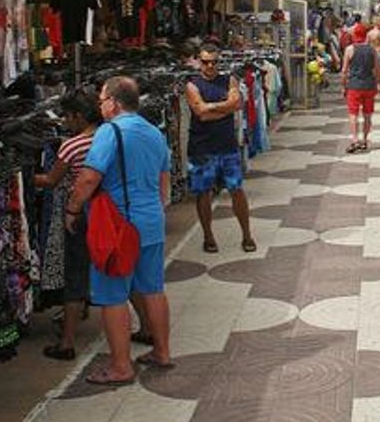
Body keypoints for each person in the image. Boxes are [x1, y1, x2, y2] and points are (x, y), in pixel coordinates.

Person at [64, 76, 173, 385]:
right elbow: (164, 180)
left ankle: (121, 367)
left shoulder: (109, 132)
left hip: (118, 227)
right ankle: (162, 352)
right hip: (151, 221)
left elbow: (88, 178)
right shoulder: (154, 132)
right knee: (152, 289)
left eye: (101, 100)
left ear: (113, 101)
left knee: (112, 296)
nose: (100, 106)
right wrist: (154, 208)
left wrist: (72, 209)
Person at [33, 92, 101, 361]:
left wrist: (23, 177)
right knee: (118, 270)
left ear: (78, 117)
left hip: (81, 212)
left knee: (75, 275)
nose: (64, 122)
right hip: (108, 211)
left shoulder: (71, 146)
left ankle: (67, 342)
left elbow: (51, 180)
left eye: (67, 117)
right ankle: (146, 325)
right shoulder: (108, 137)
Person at [185, 43, 257, 254]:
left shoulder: (229, 79)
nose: (210, 66)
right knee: (203, 192)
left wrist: (211, 108)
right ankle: (208, 236)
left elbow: (236, 103)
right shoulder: (192, 84)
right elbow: (201, 113)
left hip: (227, 145)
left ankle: (247, 235)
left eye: (214, 62)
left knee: (237, 189)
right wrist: (224, 107)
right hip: (201, 147)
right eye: (206, 62)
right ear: (199, 61)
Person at [341, 23, 380, 153]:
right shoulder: (372, 50)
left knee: (353, 114)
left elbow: (344, 71)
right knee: (367, 115)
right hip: (369, 85)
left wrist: (343, 86)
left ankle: (354, 140)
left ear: (354, 35)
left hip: (354, 86)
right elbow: (377, 69)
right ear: (365, 35)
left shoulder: (349, 49)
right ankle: (364, 140)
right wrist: (378, 84)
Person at [368, 17, 380, 93]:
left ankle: (375, 86)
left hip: (371, 53)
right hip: (379, 53)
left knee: (373, 71)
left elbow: (367, 43)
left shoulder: (369, 33)